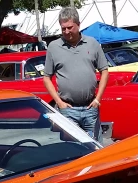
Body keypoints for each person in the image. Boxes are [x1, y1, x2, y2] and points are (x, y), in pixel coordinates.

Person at [43, 6, 109, 141]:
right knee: (72, 151)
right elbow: (46, 77)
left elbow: (104, 70)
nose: (66, 32)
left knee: (95, 149)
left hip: (90, 108)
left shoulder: (92, 43)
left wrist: (98, 99)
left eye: (70, 27)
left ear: (78, 25)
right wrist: (59, 102)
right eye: (63, 28)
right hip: (67, 110)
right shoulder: (54, 47)